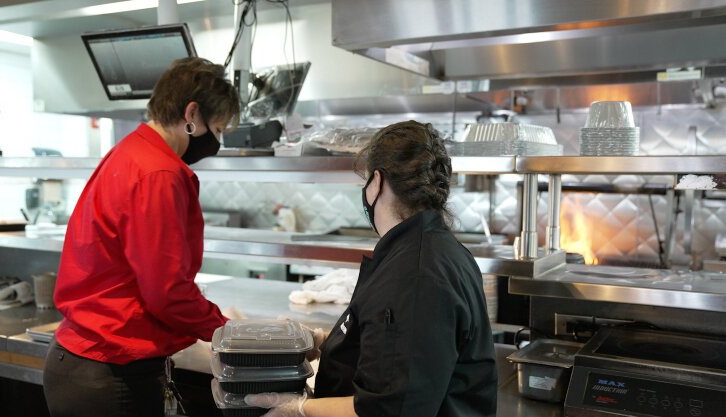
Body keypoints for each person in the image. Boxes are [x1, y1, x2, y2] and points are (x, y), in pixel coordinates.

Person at [245, 120, 498, 416]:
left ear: (377, 182)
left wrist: (300, 409)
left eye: (365, 180)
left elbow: (388, 408)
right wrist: (325, 341)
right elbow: (398, 349)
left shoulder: (416, 274)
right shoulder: (429, 249)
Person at [43, 57, 240, 417]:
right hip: (108, 372)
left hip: (84, 361)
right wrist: (229, 333)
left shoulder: (132, 152)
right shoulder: (159, 172)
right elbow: (166, 291)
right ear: (191, 114)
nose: (218, 140)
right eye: (220, 127)